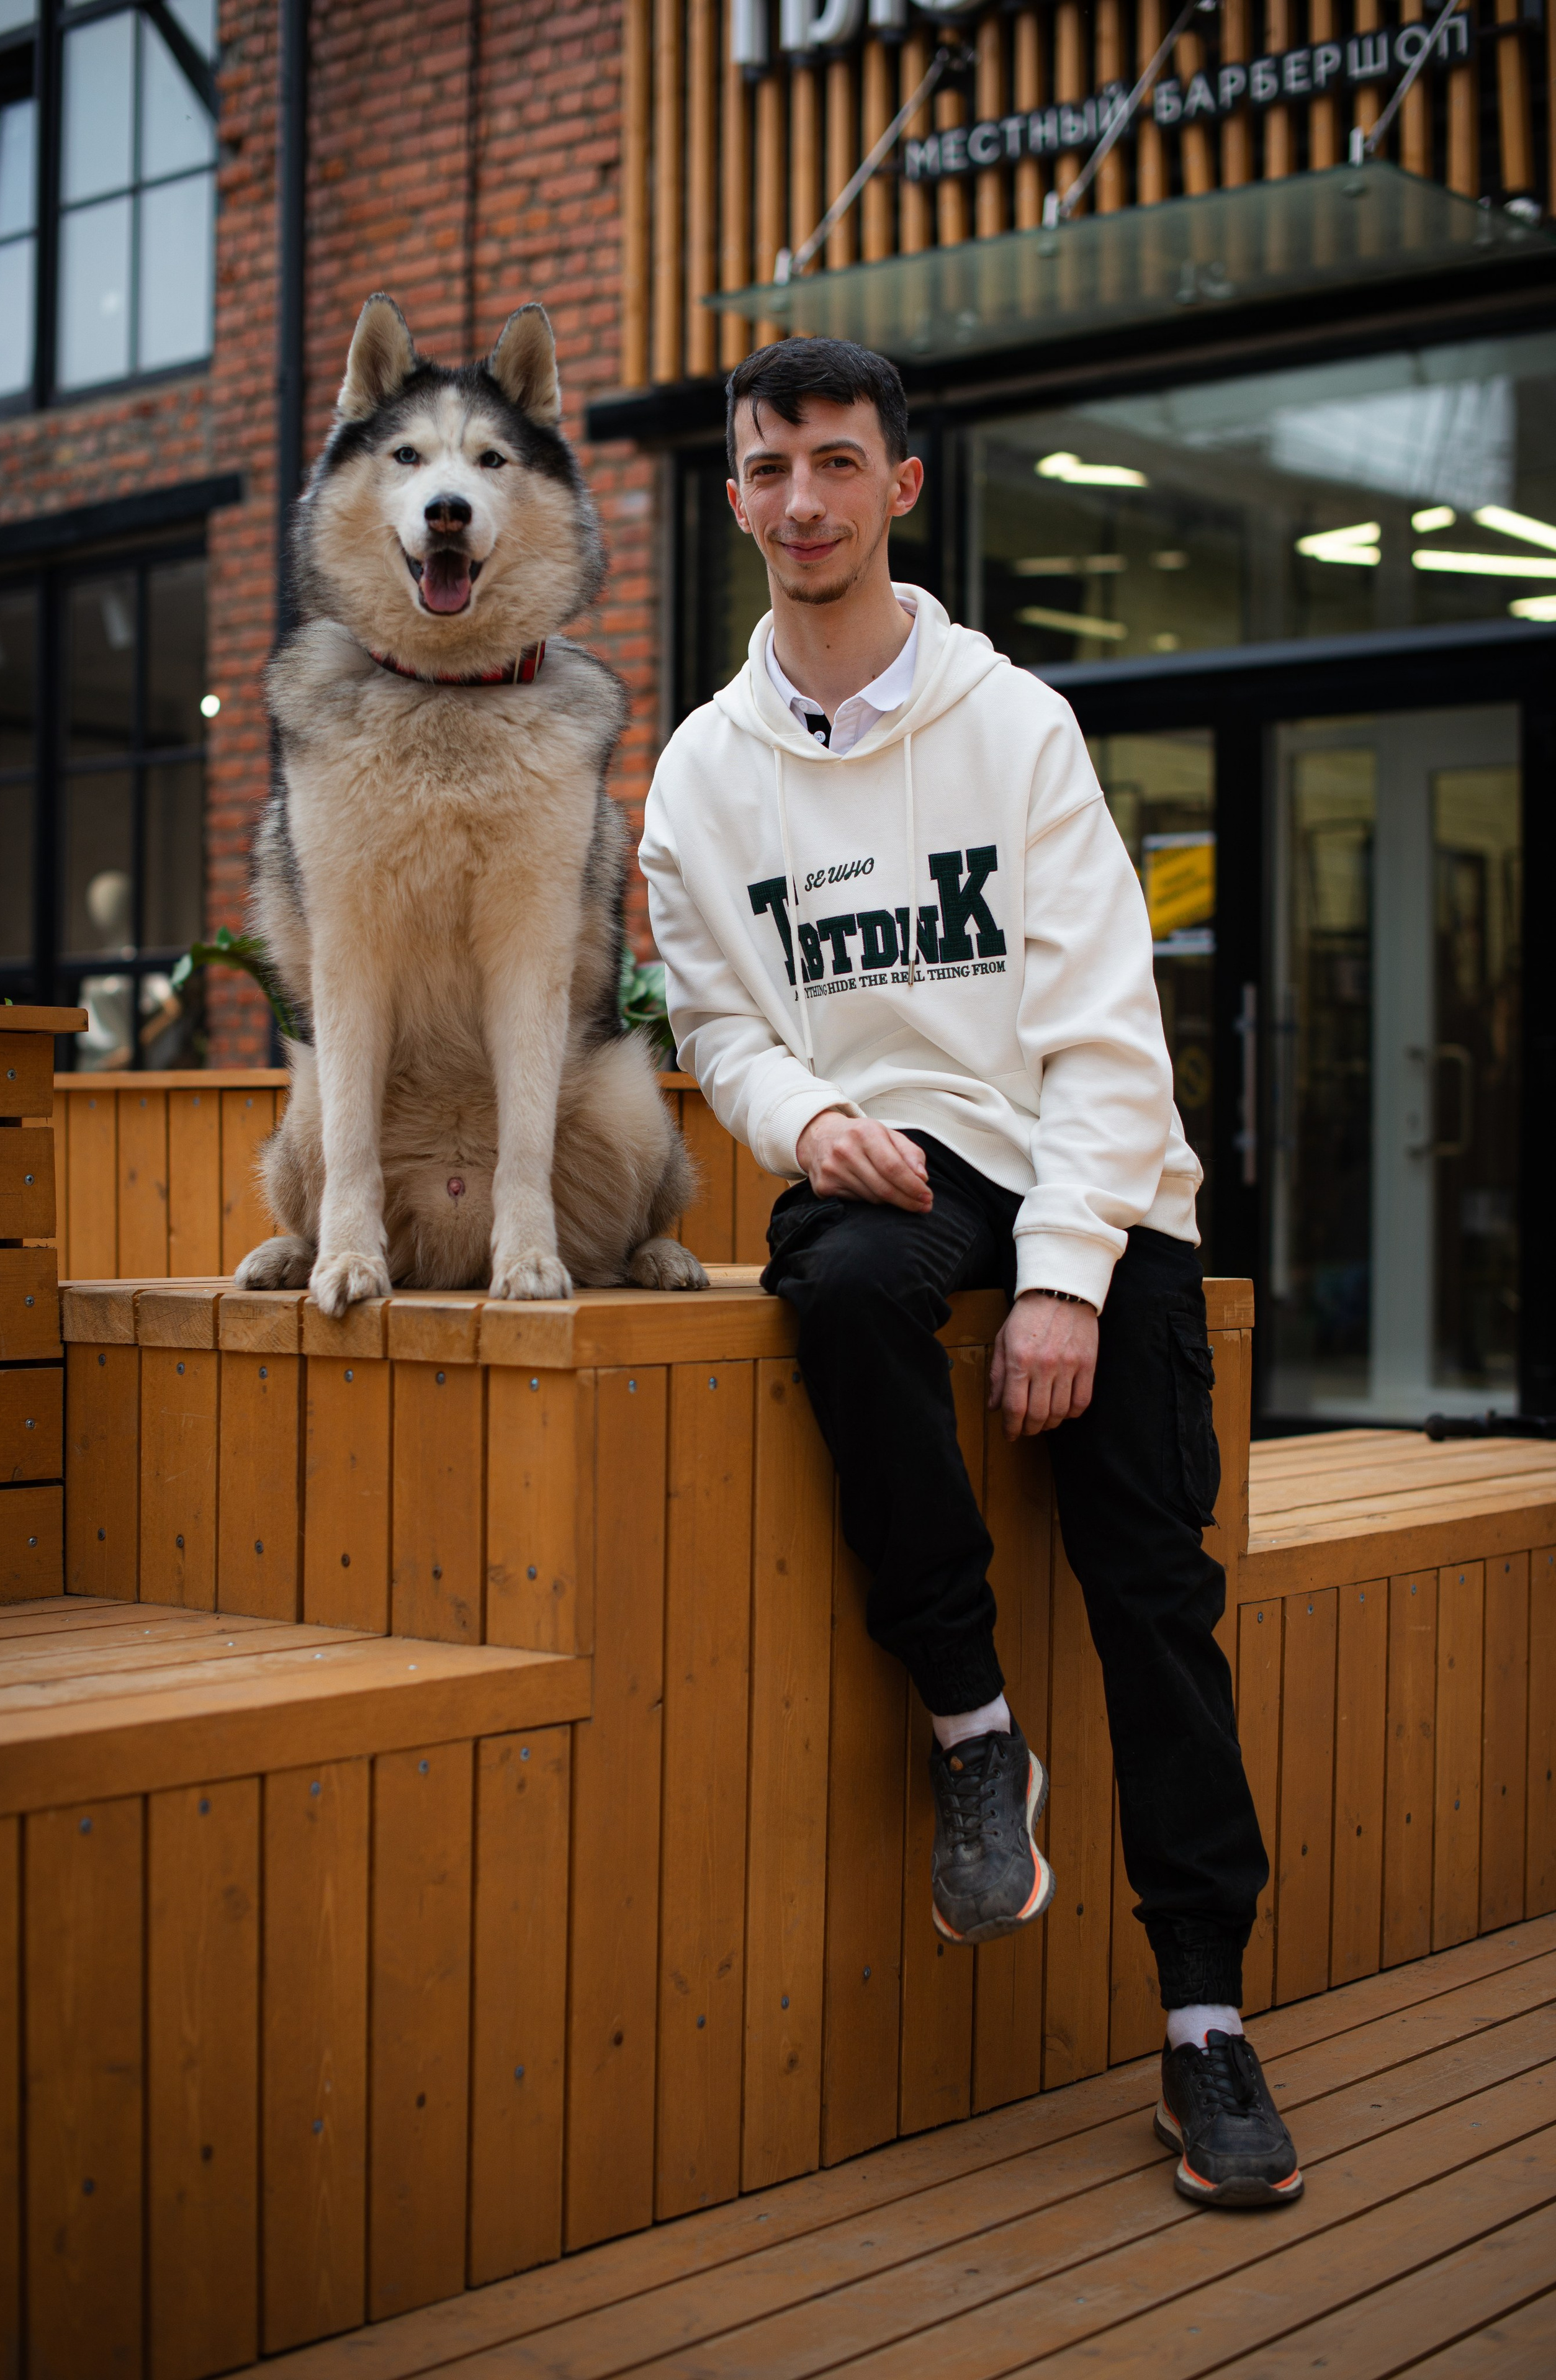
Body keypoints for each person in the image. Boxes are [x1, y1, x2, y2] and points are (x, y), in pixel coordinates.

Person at [639, 336, 1300, 2211]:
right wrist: (800, 1121)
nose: (802, 503)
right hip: (896, 1158)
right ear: (743, 491)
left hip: (1083, 1168)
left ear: (900, 489)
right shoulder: (700, 775)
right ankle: (972, 1730)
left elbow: (1108, 1034)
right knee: (837, 1286)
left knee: (1153, 1585)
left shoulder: (1013, 725)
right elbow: (718, 1023)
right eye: (769, 470)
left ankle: (1202, 2021)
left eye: (837, 464)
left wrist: (1070, 1280)